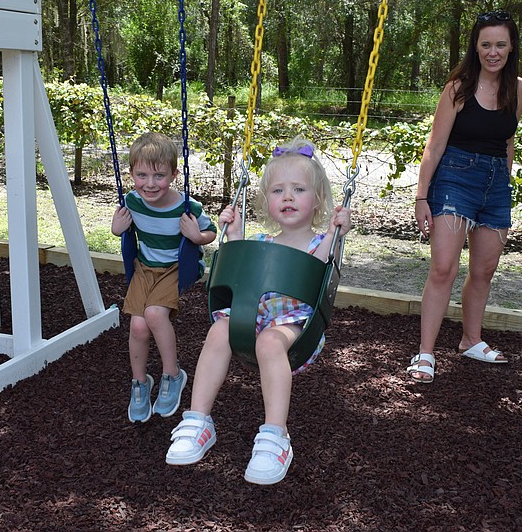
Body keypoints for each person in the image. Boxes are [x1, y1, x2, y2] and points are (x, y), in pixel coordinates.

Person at [164, 135, 352, 485]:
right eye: (278, 191)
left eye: (299, 189)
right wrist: (234, 234)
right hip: (255, 318)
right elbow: (242, 271)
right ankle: (198, 421)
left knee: (268, 342)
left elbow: (319, 267)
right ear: (267, 201)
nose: (288, 197)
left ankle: (275, 436)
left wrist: (334, 233)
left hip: (296, 327)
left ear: (318, 200)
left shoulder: (320, 242)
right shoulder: (262, 242)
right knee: (219, 329)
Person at [407, 10, 522, 383]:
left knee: (483, 270)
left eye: (500, 45)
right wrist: (422, 197)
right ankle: (425, 353)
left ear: (511, 47)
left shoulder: (518, 89)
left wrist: (504, 182)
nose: (493, 52)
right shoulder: (458, 88)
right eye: (486, 44)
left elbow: (507, 140)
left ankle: (470, 340)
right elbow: (434, 146)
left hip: (495, 184)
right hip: (455, 179)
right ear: (475, 48)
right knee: (443, 267)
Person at [111, 131, 217, 421]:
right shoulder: (131, 202)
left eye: (159, 175)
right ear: (131, 174)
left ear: (173, 174)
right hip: (144, 267)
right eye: (142, 175)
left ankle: (172, 375)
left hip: (175, 268)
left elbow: (210, 232)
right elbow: (122, 229)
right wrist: (116, 229)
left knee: (155, 314)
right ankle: (140, 382)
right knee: (138, 326)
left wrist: (197, 236)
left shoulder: (187, 207)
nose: (150, 184)